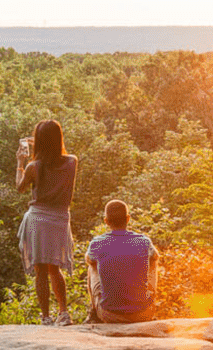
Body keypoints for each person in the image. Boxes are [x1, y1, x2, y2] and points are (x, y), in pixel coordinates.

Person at [16, 118, 78, 326]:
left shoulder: (34, 167)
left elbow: (20, 188)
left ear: (39, 142)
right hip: (59, 218)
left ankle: (45, 317)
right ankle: (64, 312)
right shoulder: (71, 162)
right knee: (55, 268)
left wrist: (20, 163)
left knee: (40, 270)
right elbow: (54, 151)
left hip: (38, 219)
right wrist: (45, 142)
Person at [84, 200, 159, 324]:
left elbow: (89, 259)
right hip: (143, 314)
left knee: (92, 265)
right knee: (153, 259)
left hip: (109, 315)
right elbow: (155, 257)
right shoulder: (144, 241)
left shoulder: (97, 243)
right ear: (128, 218)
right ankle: (150, 300)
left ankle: (93, 312)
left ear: (106, 221)